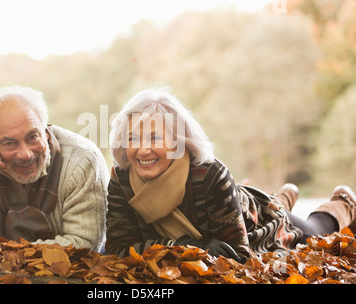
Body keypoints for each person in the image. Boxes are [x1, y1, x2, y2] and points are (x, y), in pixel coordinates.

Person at [105, 87, 356, 262]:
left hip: (258, 221)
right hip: (236, 204)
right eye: (132, 138)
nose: (142, 149)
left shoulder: (211, 174)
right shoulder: (122, 178)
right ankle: (283, 197)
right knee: (277, 205)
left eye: (155, 138)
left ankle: (343, 204)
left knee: (313, 232)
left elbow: (236, 254)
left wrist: (160, 250)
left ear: (178, 142)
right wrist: (185, 247)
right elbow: (117, 249)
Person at [0, 85, 109, 252]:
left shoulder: (82, 160)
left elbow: (84, 243)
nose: (25, 154)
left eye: (32, 137)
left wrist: (4, 254)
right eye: (10, 143)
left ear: (46, 131)